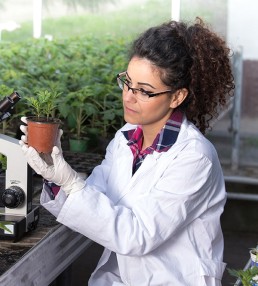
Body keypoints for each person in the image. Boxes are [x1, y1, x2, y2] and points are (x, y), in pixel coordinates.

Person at [19, 17, 234, 286]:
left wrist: (71, 183)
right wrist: (54, 174)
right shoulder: (126, 138)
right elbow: (95, 196)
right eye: (128, 82)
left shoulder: (194, 158)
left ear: (177, 97)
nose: (128, 97)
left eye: (144, 91)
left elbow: (138, 235)